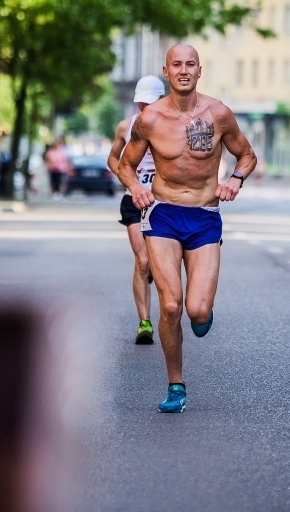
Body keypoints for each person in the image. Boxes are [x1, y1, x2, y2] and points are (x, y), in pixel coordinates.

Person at [117, 43, 257, 413]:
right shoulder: (150, 120)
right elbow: (125, 164)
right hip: (163, 215)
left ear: (199, 71)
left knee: (196, 310)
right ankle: (176, 384)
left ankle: (202, 311)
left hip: (205, 216)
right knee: (170, 304)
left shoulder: (218, 114)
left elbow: (247, 154)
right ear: (166, 72)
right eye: (176, 64)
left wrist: (235, 179)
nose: (183, 70)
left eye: (190, 64)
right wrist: (135, 188)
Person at [107, 75, 166, 345]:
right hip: (133, 200)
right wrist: (128, 180)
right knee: (142, 260)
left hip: (164, 202)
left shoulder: (172, 126)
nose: (146, 108)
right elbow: (113, 158)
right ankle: (144, 322)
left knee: (156, 262)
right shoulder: (126, 126)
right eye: (142, 103)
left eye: (151, 102)